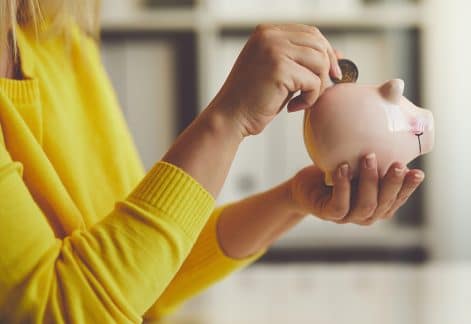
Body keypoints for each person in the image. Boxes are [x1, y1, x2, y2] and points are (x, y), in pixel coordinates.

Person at [0, 1, 424, 323]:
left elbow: (145, 277)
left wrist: (294, 198)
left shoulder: (59, 42)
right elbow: (58, 308)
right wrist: (227, 120)